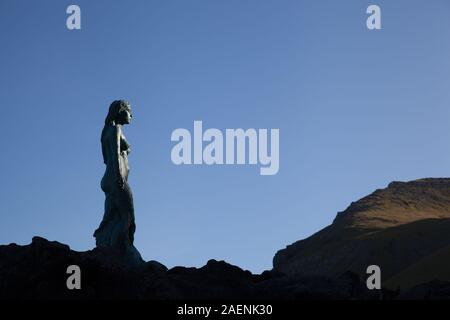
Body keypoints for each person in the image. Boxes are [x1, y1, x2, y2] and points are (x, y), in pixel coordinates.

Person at [94, 100, 142, 263]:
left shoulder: (106, 131)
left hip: (109, 179)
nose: (131, 115)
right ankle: (120, 249)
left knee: (112, 216)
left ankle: (107, 245)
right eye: (129, 111)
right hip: (116, 179)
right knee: (127, 217)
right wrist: (119, 177)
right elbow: (114, 155)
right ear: (120, 111)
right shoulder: (115, 129)